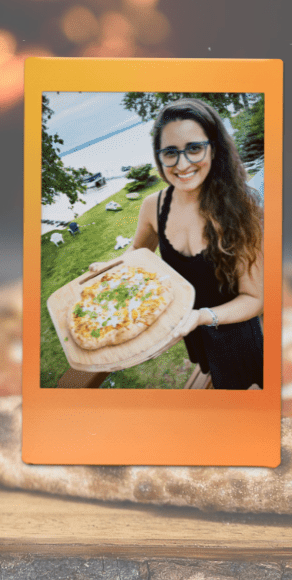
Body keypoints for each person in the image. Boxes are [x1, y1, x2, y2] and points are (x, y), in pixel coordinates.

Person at [92, 98, 264, 389]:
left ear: (214, 147)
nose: (182, 164)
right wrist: (113, 265)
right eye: (170, 153)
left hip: (236, 332)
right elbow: (138, 252)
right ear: (159, 157)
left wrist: (201, 317)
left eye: (194, 148)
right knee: (218, 379)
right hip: (192, 329)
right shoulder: (153, 206)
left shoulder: (243, 208)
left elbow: (255, 299)